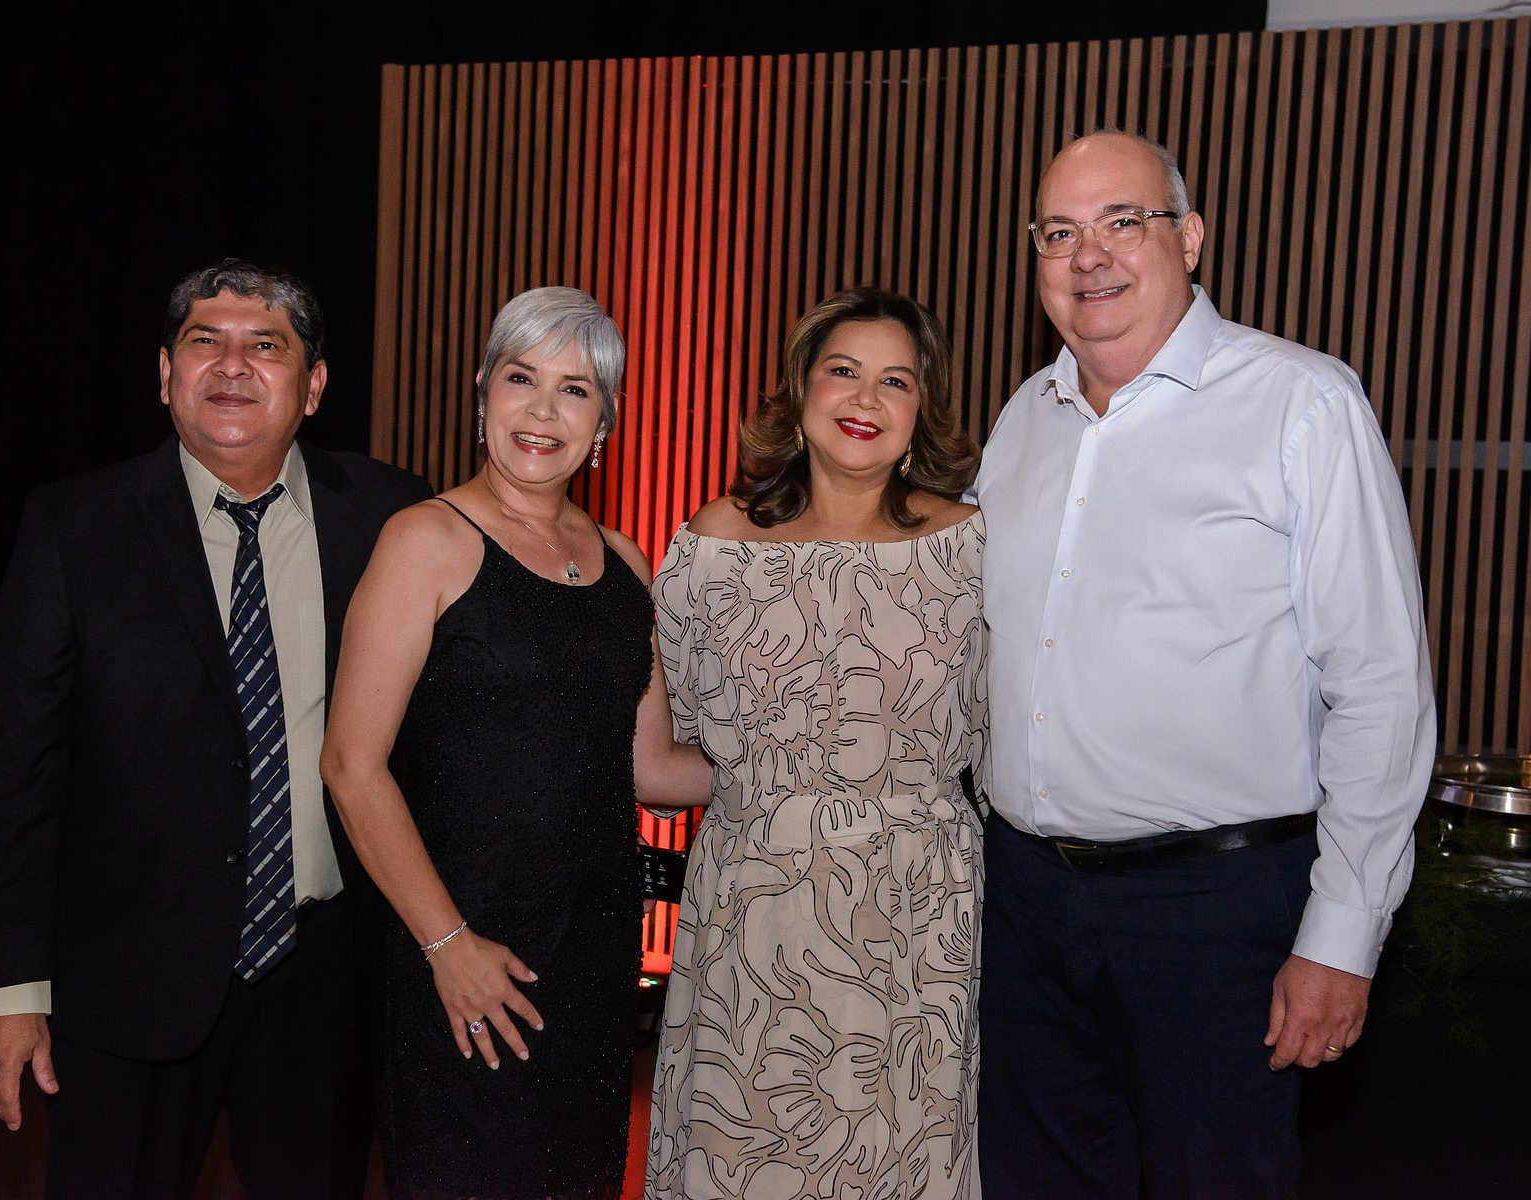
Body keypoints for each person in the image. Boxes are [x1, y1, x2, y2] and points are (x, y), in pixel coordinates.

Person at [970, 130, 1436, 1200]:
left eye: (1121, 222)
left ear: (1189, 238)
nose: (1090, 255)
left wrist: (1343, 937)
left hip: (1216, 918)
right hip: (1025, 906)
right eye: (1059, 232)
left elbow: (1380, 689)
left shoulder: (1302, 403)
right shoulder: (1022, 423)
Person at [0, 259, 432, 1200]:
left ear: (314, 386)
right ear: (165, 373)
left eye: (267, 346)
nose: (232, 365)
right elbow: (16, 775)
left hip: (325, 980)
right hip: (126, 978)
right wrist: (9, 993)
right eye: (204, 341)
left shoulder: (392, 517)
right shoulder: (74, 527)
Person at [320, 286, 710, 1200]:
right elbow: (351, 765)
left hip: (594, 962)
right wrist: (448, 945)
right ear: (482, 392)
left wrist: (799, 757)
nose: (542, 410)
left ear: (604, 421)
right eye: (521, 378)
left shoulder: (625, 561)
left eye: (575, 390)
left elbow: (652, 768)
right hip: (463, 954)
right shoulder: (424, 539)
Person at [644, 287, 987, 1200]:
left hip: (918, 919)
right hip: (752, 917)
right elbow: (671, 747)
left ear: (921, 410)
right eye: (843, 371)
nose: (866, 398)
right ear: (800, 390)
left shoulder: (971, 548)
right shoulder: (714, 545)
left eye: (896, 381)